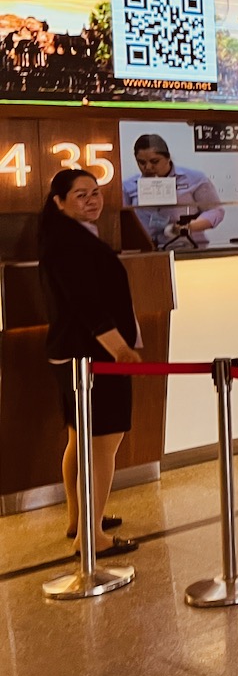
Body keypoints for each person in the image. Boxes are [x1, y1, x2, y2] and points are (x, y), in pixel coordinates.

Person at [37, 169, 141, 556]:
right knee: (103, 445)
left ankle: (79, 518)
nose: (92, 200)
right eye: (80, 195)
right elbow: (87, 304)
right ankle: (91, 536)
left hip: (72, 353)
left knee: (78, 439)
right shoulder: (68, 244)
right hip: (93, 357)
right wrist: (119, 349)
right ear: (59, 202)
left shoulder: (66, 237)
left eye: (95, 193)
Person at [121, 133, 225, 249]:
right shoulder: (128, 186)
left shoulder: (195, 179)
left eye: (154, 161)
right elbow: (123, 220)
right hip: (147, 250)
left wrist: (188, 227)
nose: (148, 167)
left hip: (187, 247)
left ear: (168, 157)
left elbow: (215, 211)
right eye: (142, 162)